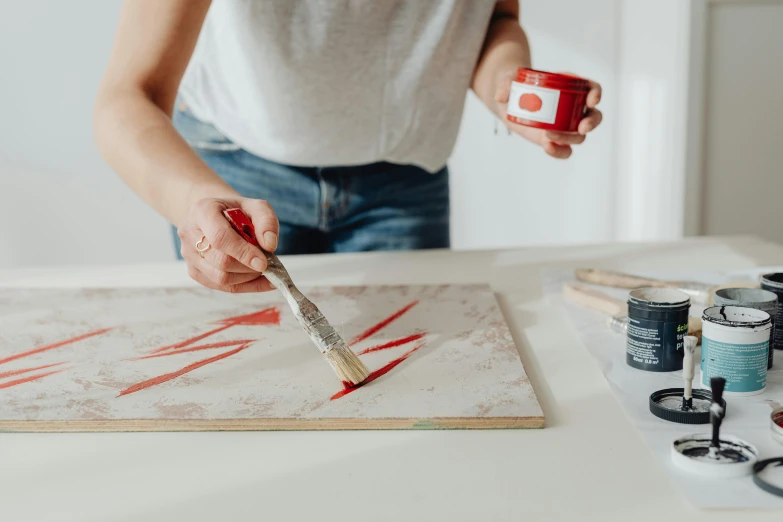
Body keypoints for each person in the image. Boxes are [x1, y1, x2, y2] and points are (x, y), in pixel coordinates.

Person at [95, 0, 602, 294]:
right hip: (236, 180)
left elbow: (493, 18)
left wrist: (511, 86)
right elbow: (127, 97)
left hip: (403, 185)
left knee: (408, 381)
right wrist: (193, 203)